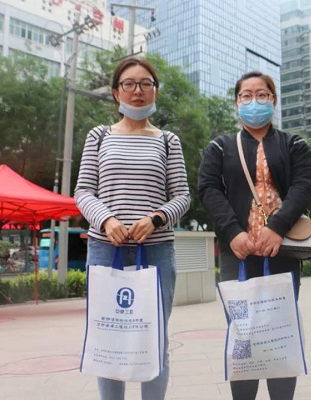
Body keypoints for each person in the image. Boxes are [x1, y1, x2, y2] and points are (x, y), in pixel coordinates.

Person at [74, 57, 190, 400]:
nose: (137, 91)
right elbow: (83, 191)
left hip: (156, 250)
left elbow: (182, 196)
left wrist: (156, 219)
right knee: (108, 337)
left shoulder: (168, 141)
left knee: (154, 336)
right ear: (116, 92)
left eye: (145, 84)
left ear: (155, 91)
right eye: (129, 83)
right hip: (105, 248)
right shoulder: (99, 136)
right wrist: (106, 220)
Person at [198, 71, 311, 400]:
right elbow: (208, 189)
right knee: (243, 335)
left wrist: (277, 228)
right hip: (237, 254)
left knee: (280, 333)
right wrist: (232, 232)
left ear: (273, 100)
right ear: (237, 102)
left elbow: (304, 187)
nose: (254, 101)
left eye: (262, 95)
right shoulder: (219, 147)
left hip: (281, 251)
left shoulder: (294, 144)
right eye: (246, 95)